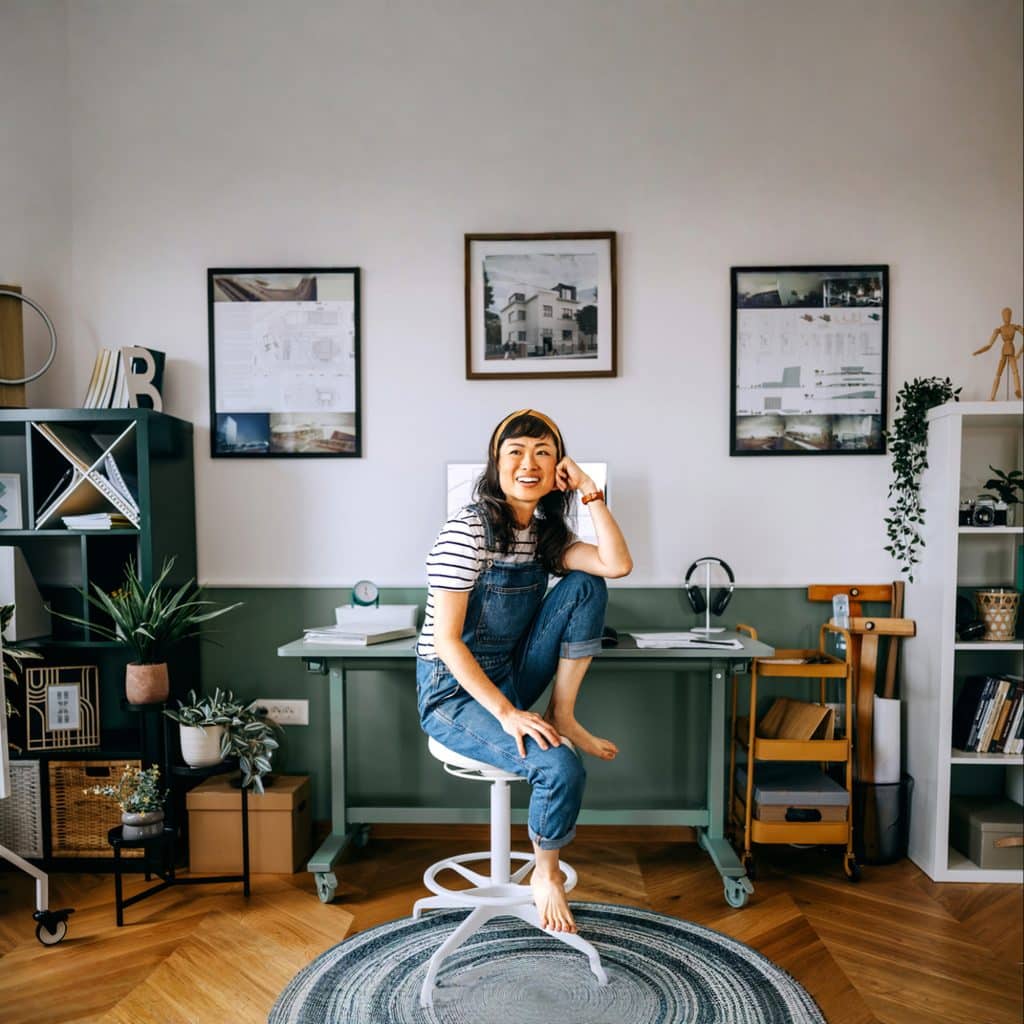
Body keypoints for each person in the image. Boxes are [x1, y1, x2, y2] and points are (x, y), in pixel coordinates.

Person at [416, 409, 632, 935]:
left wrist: (590, 492)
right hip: (453, 694)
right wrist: (507, 713)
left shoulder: (544, 534)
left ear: (559, 468)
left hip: (511, 674)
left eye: (543, 453)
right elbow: (446, 642)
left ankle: (563, 713)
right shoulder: (467, 530)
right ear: (496, 464)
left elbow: (616, 564)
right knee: (560, 766)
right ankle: (546, 873)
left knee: (587, 584)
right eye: (515, 452)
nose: (529, 463)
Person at [973, 307, 1023, 400]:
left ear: (1011, 316)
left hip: (1011, 349)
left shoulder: (1015, 327)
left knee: (1015, 371)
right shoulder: (999, 329)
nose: (1007, 317)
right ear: (1002, 316)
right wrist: (979, 351)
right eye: (1005, 315)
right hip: (1004, 351)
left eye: (1009, 315)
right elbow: (989, 345)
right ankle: (992, 396)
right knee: (998, 373)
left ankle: (1018, 389)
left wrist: (1020, 352)